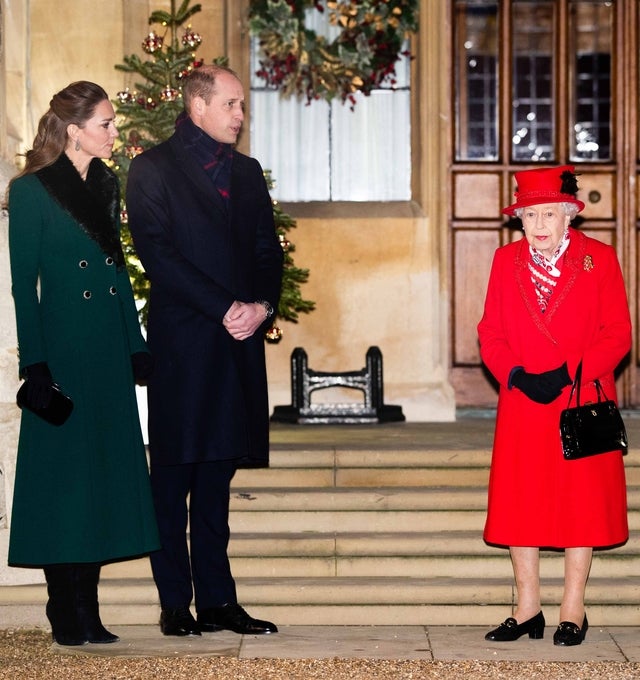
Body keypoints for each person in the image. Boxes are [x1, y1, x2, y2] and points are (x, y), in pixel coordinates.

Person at [126, 65, 283, 637]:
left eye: (241, 105)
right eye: (232, 104)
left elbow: (268, 250)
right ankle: (175, 603)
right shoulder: (151, 168)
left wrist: (262, 305)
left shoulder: (246, 172)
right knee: (172, 479)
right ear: (198, 106)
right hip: (186, 344)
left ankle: (219, 601)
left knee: (216, 480)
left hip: (239, 344)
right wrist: (224, 307)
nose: (240, 116)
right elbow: (158, 254)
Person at [6, 81, 160, 646]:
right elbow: (25, 287)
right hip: (63, 350)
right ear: (74, 130)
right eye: (106, 124)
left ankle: (89, 611)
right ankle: (61, 606)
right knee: (62, 480)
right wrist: (36, 363)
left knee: (100, 475)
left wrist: (136, 343)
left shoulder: (105, 183)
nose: (114, 133)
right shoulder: (30, 191)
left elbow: (116, 272)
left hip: (106, 351)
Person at [477, 166, 631, 646]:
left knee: (579, 504)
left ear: (569, 217)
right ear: (519, 220)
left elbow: (618, 334)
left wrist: (566, 374)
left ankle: (573, 609)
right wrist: (518, 376)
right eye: (529, 215)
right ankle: (526, 609)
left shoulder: (599, 259)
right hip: (525, 400)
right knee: (522, 503)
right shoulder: (506, 260)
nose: (539, 224)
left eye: (548, 213)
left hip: (580, 398)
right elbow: (490, 332)